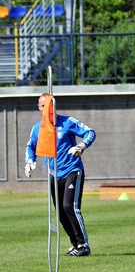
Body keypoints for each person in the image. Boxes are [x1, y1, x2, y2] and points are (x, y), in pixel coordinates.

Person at [25, 93, 96, 257]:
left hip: (72, 170)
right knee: (61, 213)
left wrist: (81, 146)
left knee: (69, 206)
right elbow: (31, 147)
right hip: (53, 174)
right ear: (39, 108)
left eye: (49, 105)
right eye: (43, 106)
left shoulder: (67, 122)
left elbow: (90, 132)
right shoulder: (38, 129)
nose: (46, 109)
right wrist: (29, 161)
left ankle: (84, 244)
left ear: (54, 106)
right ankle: (76, 245)